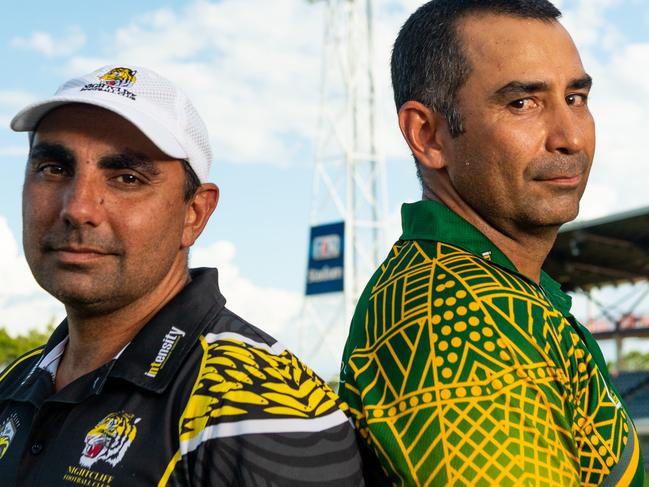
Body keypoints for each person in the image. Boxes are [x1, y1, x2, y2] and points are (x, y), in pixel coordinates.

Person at [0, 65, 363, 486]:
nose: (78, 208)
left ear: (195, 213)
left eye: (126, 178)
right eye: (54, 169)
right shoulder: (18, 380)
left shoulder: (259, 401)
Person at [339, 1, 646, 486]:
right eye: (523, 103)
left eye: (576, 98)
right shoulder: (454, 319)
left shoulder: (502, 287)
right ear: (428, 135)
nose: (569, 138)